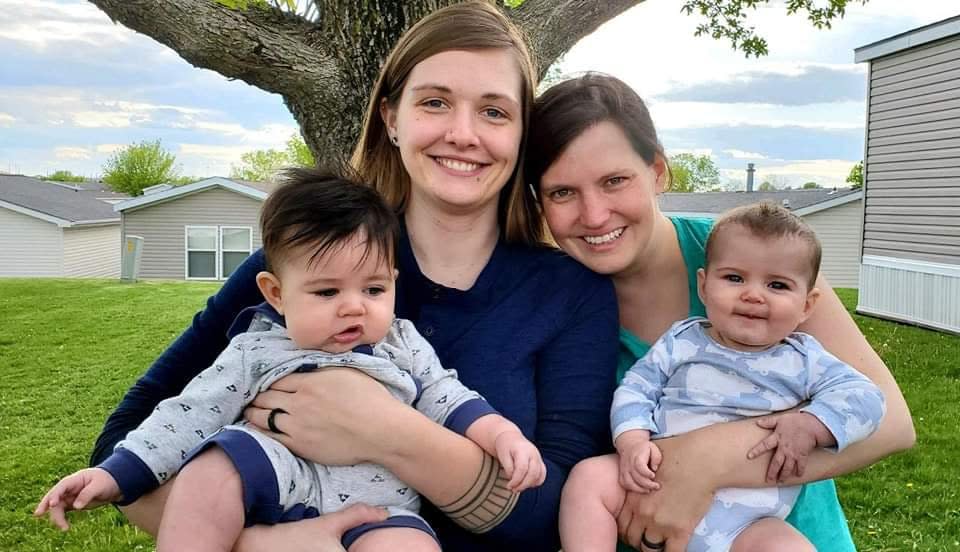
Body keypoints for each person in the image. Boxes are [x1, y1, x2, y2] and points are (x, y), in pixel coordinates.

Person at [87, 3, 618, 551]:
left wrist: (389, 433)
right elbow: (121, 445)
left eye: (494, 112)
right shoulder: (305, 266)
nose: (463, 133)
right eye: (435, 102)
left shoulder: (569, 294)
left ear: (522, 134)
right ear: (391, 118)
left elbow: (557, 513)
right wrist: (263, 545)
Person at [37, 172, 546, 552]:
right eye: (327, 291)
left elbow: (447, 395)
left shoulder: (401, 343)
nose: (354, 306)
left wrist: (501, 434)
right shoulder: (254, 350)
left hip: (379, 504)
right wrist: (114, 474)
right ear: (276, 294)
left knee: (413, 547)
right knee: (211, 470)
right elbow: (184, 415)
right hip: (273, 479)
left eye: (374, 288)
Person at [525, 73, 915, 551]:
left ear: (658, 172)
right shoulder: (548, 299)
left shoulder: (754, 255)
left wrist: (708, 459)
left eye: (615, 181)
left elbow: (892, 422)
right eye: (562, 192)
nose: (595, 214)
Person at [558, 201, 886, 552]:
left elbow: (867, 398)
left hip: (749, 523)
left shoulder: (804, 359)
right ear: (703, 286)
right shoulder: (681, 340)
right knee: (589, 479)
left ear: (807, 305)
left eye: (777, 285)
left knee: (788, 547)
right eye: (734, 278)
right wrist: (633, 440)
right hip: (654, 479)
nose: (753, 294)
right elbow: (637, 388)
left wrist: (811, 424)